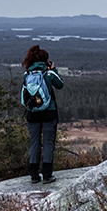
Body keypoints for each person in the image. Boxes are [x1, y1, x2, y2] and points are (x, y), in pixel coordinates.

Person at [21, 44, 64, 183]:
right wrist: (53, 69)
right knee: (48, 143)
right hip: (49, 112)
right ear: (46, 60)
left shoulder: (27, 74)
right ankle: (47, 175)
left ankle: (34, 175)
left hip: (32, 112)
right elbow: (60, 84)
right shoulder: (49, 73)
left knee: (34, 143)